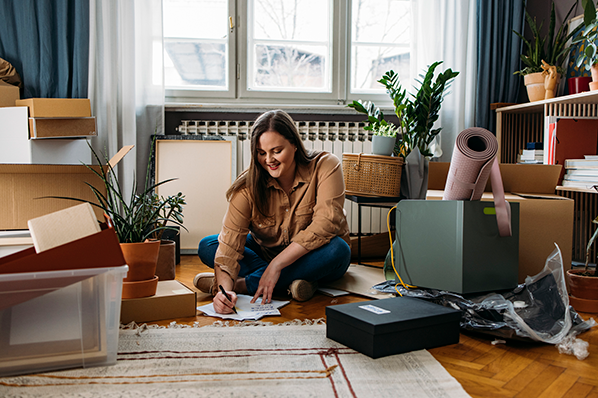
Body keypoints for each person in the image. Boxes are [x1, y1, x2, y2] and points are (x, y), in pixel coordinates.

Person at [194, 110, 352, 314]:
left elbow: (326, 225)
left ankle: (246, 284)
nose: (269, 160)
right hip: (266, 253)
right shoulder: (247, 187)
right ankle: (296, 282)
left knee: (338, 250)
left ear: (294, 144)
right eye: (261, 153)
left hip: (315, 254)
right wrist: (223, 292)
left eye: (276, 151)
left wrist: (276, 265)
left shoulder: (326, 165)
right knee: (208, 245)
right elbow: (228, 249)